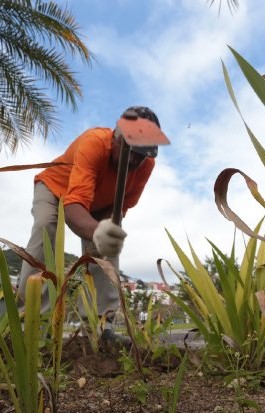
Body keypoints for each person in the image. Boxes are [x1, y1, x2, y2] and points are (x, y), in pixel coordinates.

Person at [18, 106, 163, 345]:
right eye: (132, 152)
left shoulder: (145, 165)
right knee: (46, 227)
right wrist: (95, 230)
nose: (136, 160)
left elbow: (120, 205)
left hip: (99, 201)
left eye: (142, 154)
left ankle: (100, 326)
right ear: (116, 139)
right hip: (56, 189)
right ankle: (31, 321)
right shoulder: (94, 143)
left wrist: (104, 234)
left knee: (107, 246)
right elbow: (74, 204)